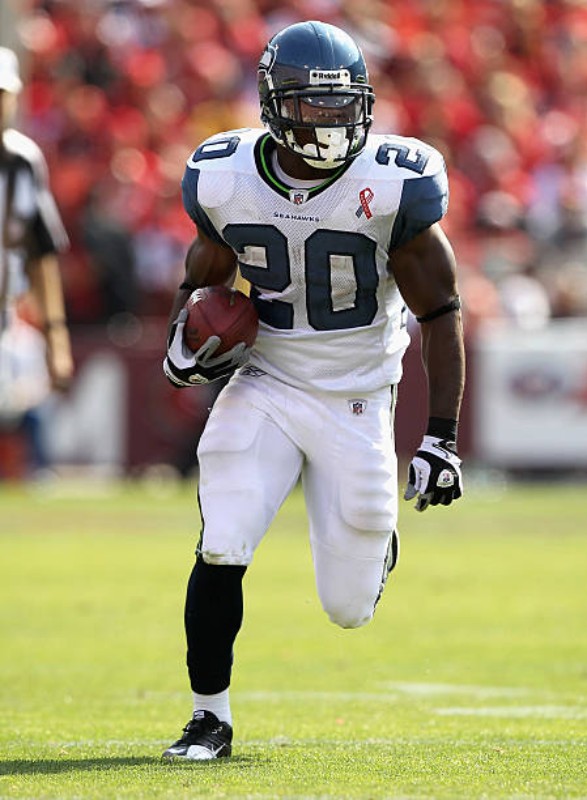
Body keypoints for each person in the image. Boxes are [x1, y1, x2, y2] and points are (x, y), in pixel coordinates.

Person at [162, 20, 465, 760]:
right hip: (265, 378)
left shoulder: (393, 183)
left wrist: (441, 438)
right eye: (312, 103)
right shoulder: (226, 177)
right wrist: (183, 341)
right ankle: (208, 718)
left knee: (347, 608)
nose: (330, 119)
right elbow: (200, 281)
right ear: (273, 104)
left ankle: (374, 539)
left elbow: (440, 312)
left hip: (356, 394)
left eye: (342, 103)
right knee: (223, 539)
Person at [1, 45, 73, 407]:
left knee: (26, 411)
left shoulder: (23, 162)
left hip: (7, 318)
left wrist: (55, 337)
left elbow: (41, 254)